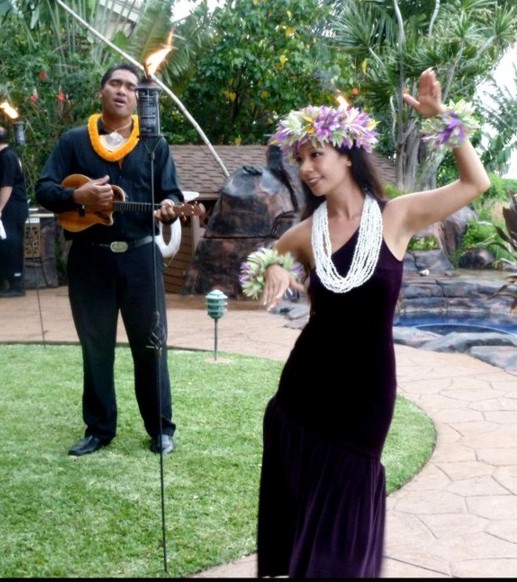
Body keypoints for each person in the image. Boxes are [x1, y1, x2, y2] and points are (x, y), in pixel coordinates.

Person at [241, 68, 490, 577]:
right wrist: (272, 267)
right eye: (301, 159)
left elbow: (475, 183)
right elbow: (267, 257)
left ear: (347, 156)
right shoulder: (305, 233)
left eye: (317, 155)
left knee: (342, 535)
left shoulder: (397, 216)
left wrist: (442, 116)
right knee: (301, 528)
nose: (307, 168)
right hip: (305, 391)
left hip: (365, 398)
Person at [35, 63, 184, 457]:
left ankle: (161, 428)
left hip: (141, 258)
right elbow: (43, 189)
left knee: (151, 345)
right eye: (115, 83)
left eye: (130, 87)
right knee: (95, 346)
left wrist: (170, 208)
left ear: (137, 99)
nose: (122, 90)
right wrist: (76, 197)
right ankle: (99, 429)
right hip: (90, 259)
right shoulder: (73, 141)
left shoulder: (154, 144)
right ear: (102, 91)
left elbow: (171, 194)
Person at [0, 125, 29, 297]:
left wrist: (0, 207)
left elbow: (7, 186)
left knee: (12, 243)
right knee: (5, 244)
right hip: (8, 207)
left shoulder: (7, 157)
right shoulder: (6, 156)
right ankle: (6, 280)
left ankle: (16, 283)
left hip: (12, 206)